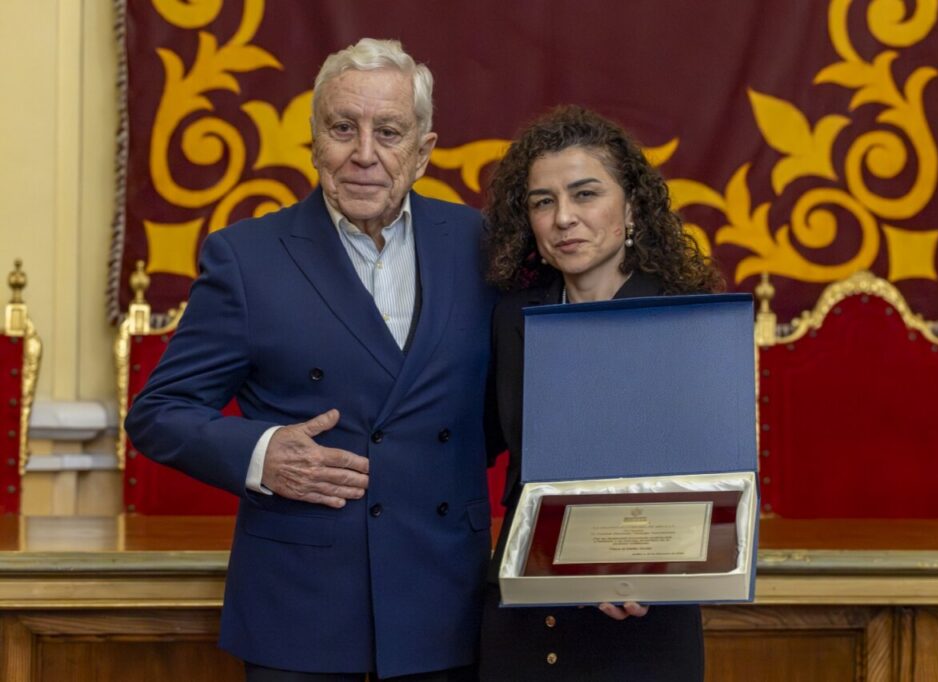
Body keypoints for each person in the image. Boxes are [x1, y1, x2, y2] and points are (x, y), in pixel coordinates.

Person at [126, 39, 497, 681]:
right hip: (303, 607)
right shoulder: (246, 257)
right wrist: (262, 453)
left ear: (424, 150)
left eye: (388, 131)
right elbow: (158, 413)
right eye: (342, 128)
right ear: (314, 141)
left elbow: (516, 405)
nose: (364, 154)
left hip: (446, 601)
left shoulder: (479, 243)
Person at [480, 105, 723, 681]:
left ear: (631, 206)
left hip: (639, 618)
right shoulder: (511, 319)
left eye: (585, 194)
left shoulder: (686, 323)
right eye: (543, 201)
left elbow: (718, 476)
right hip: (522, 613)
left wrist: (652, 574)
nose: (564, 218)